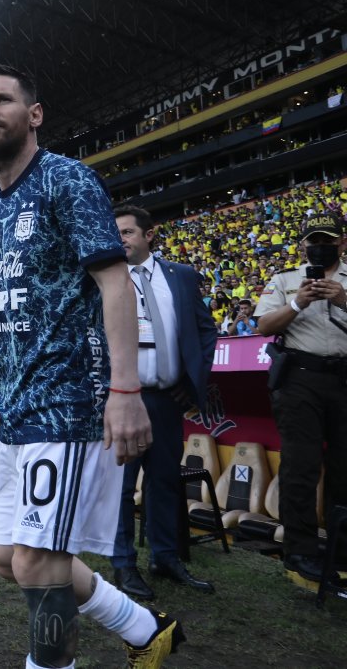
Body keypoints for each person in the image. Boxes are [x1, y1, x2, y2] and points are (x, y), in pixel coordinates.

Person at [0, 63, 181, 669]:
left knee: (38, 562)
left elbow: (115, 284)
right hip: (19, 404)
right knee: (8, 558)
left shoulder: (68, 181)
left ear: (34, 115)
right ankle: (145, 629)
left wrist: (124, 389)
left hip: (72, 401)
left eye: (3, 99)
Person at [109, 205, 217, 600]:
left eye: (126, 232)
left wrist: (191, 385)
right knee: (120, 487)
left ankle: (165, 557)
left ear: (149, 234)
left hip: (168, 401)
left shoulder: (182, 277)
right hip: (123, 401)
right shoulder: (106, 277)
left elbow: (206, 331)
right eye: (115, 233)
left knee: (166, 481)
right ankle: (122, 564)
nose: (119, 239)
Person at [255, 213, 347, 584]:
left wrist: (343, 298)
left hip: (343, 378)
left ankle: (341, 551)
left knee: (345, 467)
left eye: (328, 240)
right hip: (300, 379)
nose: (320, 246)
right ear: (303, 246)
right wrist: (297, 304)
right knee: (300, 466)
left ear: (342, 243)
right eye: (313, 241)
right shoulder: (284, 280)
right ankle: (300, 551)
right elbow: (263, 326)